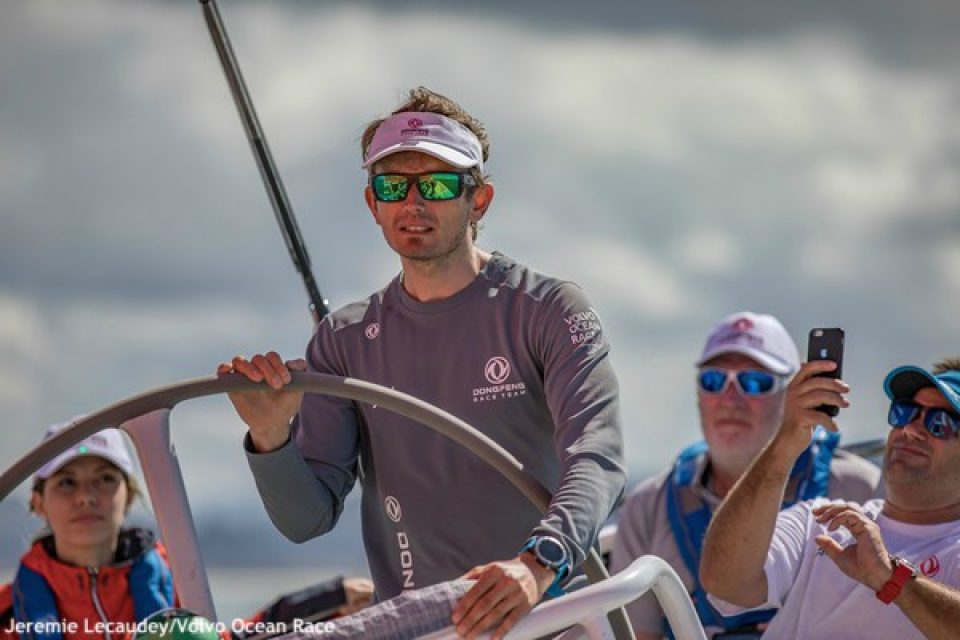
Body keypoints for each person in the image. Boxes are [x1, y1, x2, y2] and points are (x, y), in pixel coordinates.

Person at [218, 86, 626, 640]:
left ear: (478, 200)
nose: (413, 203)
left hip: (551, 617)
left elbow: (597, 456)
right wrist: (270, 436)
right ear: (373, 205)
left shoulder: (550, 309)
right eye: (393, 186)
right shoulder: (342, 341)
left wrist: (537, 565)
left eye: (435, 184)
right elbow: (305, 520)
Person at [610, 311, 881, 639]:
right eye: (713, 381)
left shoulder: (859, 489)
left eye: (754, 382)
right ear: (699, 397)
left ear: (792, 394)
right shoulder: (648, 506)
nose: (730, 399)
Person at [3, 422, 374, 640]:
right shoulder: (7, 611)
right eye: (67, 483)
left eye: (104, 479)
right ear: (38, 503)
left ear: (128, 495)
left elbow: (222, 637)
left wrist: (328, 601)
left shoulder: (178, 579)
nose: (86, 496)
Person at [699, 358, 960, 638]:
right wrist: (785, 442)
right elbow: (724, 582)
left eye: (939, 422)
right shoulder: (820, 521)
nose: (910, 430)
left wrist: (891, 577)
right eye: (905, 412)